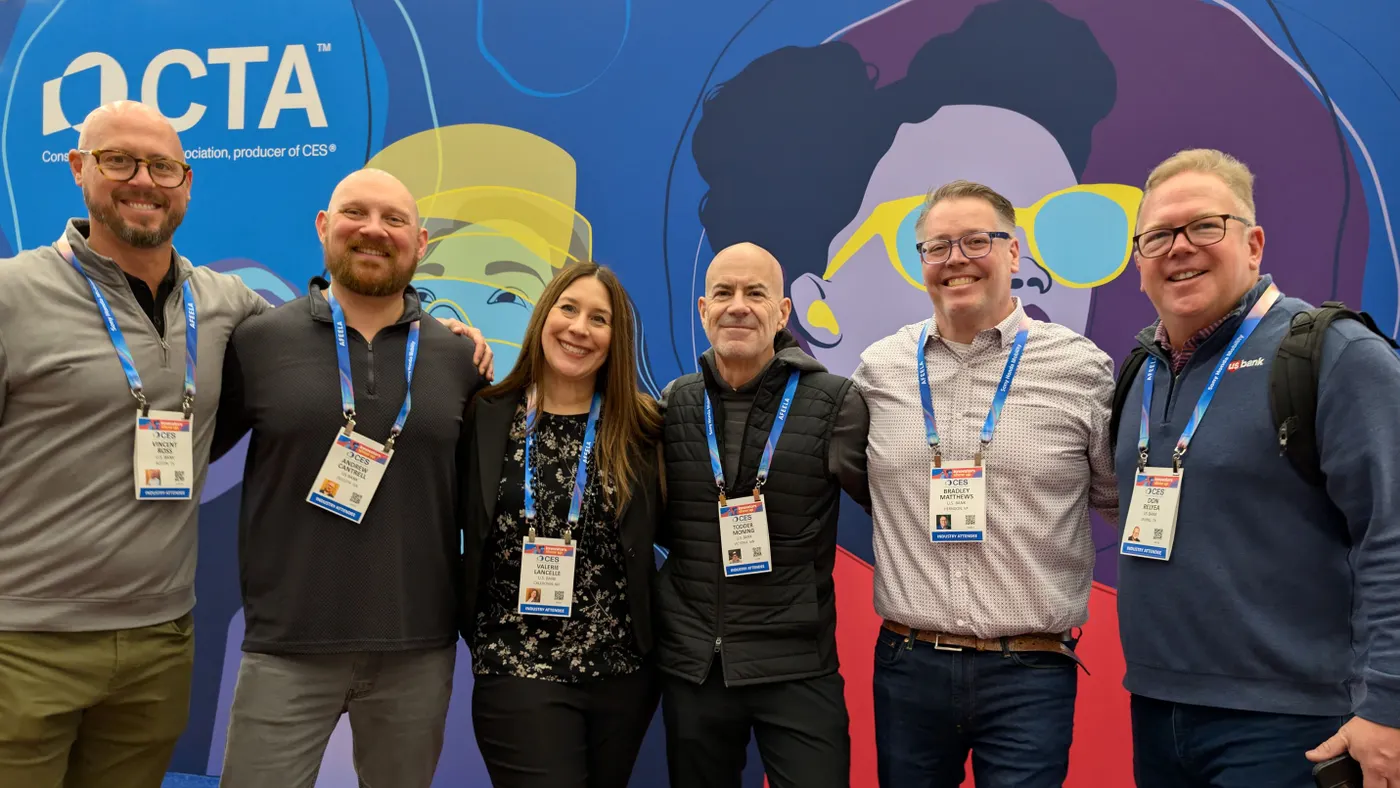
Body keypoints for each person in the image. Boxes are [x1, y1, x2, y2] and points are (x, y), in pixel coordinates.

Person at [0, 100, 273, 787]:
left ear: (186, 182)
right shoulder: (11, 294)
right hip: (23, 643)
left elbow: (328, 333)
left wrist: (443, 332)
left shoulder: (224, 301)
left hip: (159, 640)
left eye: (163, 166)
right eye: (118, 160)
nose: (143, 181)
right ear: (78, 169)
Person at [1111, 149, 1400, 787]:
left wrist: (1390, 705)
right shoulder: (1141, 371)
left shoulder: (1336, 355)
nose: (1179, 248)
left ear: (1254, 243)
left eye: (1204, 227)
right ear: (1139, 263)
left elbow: (1392, 536)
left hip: (1294, 726)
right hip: (1158, 711)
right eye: (1158, 236)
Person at [211, 168, 488, 788]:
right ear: (323, 227)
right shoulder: (257, 343)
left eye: (393, 220)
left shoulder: (459, 358)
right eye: (355, 213)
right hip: (287, 646)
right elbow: (194, 457)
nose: (372, 230)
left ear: (420, 243)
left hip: (416, 649)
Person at [852, 179, 1118, 787]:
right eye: (937, 246)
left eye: (977, 240)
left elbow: (1117, 500)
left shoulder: (1081, 367)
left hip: (1029, 670)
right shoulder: (879, 369)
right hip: (908, 664)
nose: (956, 260)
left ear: (1014, 253)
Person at [654, 242, 871, 788]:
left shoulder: (834, 401)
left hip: (797, 664)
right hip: (697, 667)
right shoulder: (673, 403)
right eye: (723, 293)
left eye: (756, 293)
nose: (738, 306)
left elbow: (894, 507)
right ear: (702, 309)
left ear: (782, 312)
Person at [460, 261, 663, 788]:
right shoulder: (483, 415)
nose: (579, 328)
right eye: (568, 308)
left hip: (622, 677)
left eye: (599, 319)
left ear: (615, 340)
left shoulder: (643, 428)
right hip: (515, 665)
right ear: (543, 315)